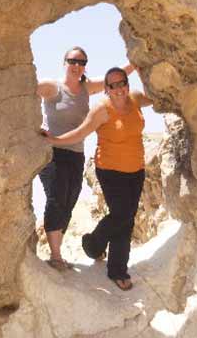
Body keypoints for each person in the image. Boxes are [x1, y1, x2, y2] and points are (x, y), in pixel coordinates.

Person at [42, 67, 152, 290]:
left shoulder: (136, 99)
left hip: (136, 170)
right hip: (110, 170)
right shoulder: (101, 109)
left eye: (122, 83)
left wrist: (141, 68)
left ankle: (101, 252)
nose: (119, 88)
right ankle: (104, 256)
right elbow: (81, 133)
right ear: (107, 89)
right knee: (122, 215)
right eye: (113, 85)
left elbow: (155, 98)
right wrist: (54, 140)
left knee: (126, 218)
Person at [36, 48, 133, 271]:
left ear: (85, 65)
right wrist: (35, 126)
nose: (76, 65)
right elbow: (24, 89)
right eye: (72, 61)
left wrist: (136, 64)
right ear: (64, 62)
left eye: (81, 62)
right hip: (52, 152)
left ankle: (57, 253)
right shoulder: (52, 87)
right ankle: (56, 256)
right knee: (56, 197)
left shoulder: (86, 89)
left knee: (70, 200)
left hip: (76, 154)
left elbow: (114, 78)